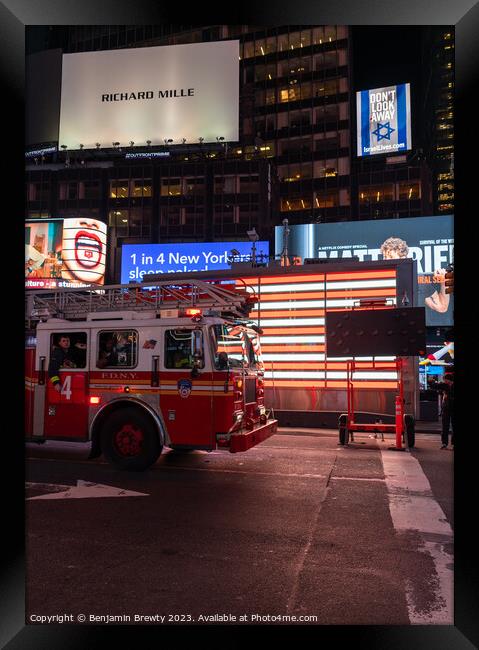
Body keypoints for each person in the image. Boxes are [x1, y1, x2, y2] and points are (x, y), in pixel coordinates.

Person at [380, 236, 450, 314]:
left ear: (403, 258)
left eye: (391, 257)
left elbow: (441, 307)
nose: (387, 261)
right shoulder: (379, 282)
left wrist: (445, 281)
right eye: (385, 257)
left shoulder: (417, 281)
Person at [431, 372, 454, 449]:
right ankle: (444, 443)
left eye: (445, 380)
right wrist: (432, 381)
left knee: (449, 426)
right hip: (446, 408)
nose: (444, 381)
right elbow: (435, 386)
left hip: (449, 407)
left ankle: (451, 443)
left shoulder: (447, 386)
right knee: (445, 426)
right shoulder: (445, 386)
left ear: (448, 380)